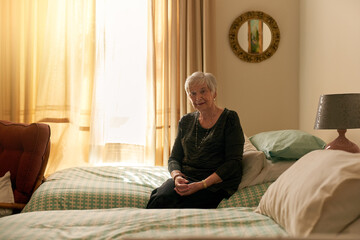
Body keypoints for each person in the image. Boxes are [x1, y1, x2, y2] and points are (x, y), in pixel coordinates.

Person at [146, 71, 244, 209]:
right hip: (187, 178)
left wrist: (201, 184)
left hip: (213, 184)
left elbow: (233, 163)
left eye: (203, 91)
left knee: (177, 205)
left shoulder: (230, 119)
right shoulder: (186, 121)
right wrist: (176, 177)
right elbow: (174, 158)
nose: (198, 97)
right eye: (193, 93)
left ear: (214, 93)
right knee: (159, 199)